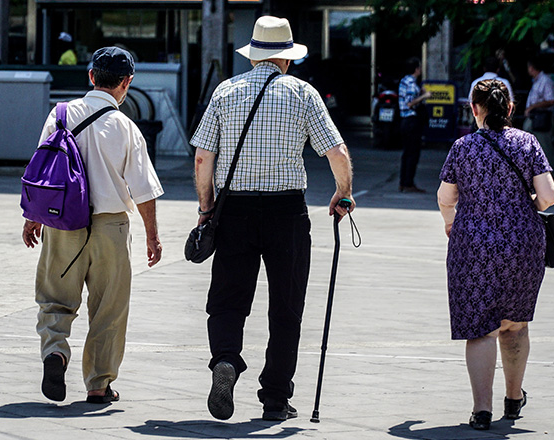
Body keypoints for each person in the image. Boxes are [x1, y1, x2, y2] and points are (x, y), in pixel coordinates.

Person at [190, 15, 354, 422]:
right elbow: (336, 152)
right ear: (286, 58)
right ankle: (276, 398)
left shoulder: (225, 92)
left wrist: (206, 207)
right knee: (286, 307)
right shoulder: (303, 93)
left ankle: (226, 360)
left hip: (235, 212)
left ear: (253, 55)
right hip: (286, 213)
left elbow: (202, 158)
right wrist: (343, 193)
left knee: (228, 301)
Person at [22, 46, 164, 404]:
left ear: (90, 77)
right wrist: (153, 236)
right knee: (109, 307)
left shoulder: (60, 114)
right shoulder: (126, 127)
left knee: (55, 298)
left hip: (62, 223)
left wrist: (32, 218)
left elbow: (42, 170)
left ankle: (55, 353)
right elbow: (144, 190)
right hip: (111, 227)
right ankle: (99, 384)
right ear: (126, 83)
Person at [437, 79, 554, 431]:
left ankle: (482, 410)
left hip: (473, 245)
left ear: (475, 109)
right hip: (523, 243)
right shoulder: (528, 143)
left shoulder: (462, 147)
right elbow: (548, 195)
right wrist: (524, 208)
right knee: (515, 323)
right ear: (509, 109)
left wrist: (450, 224)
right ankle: (513, 397)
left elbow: (446, 198)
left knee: (481, 329)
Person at [397, 57, 432, 193]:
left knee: (407, 153)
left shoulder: (404, 81)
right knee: (413, 153)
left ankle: (403, 182)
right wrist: (425, 96)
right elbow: (410, 103)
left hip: (405, 121)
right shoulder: (411, 83)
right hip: (411, 120)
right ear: (416, 69)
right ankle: (408, 182)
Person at [523, 57, 554, 160]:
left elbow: (550, 100)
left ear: (532, 68)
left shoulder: (545, 80)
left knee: (544, 146)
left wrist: (533, 106)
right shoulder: (536, 81)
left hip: (541, 116)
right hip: (533, 116)